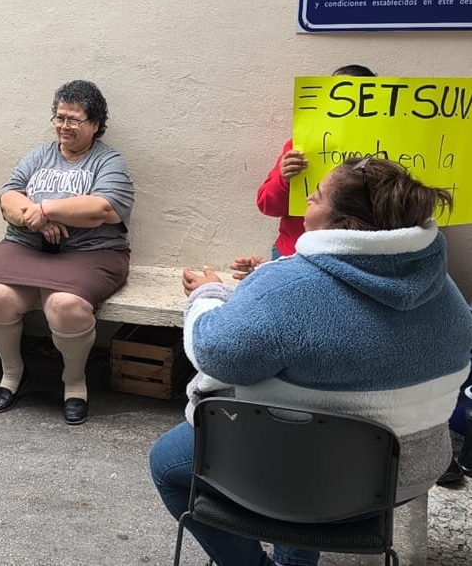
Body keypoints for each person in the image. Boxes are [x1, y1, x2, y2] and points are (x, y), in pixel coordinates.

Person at [151, 157, 472, 566]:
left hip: (295, 477)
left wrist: (208, 295)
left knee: (167, 464)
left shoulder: (287, 290)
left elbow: (216, 351)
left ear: (345, 225)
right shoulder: (445, 292)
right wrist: (273, 278)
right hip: (399, 481)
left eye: (317, 196)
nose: (307, 200)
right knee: (312, 425)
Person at [0, 80, 134, 425]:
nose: (64, 126)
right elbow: (8, 197)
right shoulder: (39, 155)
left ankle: (74, 382)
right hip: (27, 246)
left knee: (65, 306)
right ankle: (13, 373)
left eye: (74, 119)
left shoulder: (109, 162)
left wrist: (47, 209)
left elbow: (103, 209)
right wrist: (34, 220)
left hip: (90, 252)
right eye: (59, 117)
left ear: (95, 124)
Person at [256, 64, 376, 258]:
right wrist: (285, 179)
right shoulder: (302, 146)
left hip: (357, 255)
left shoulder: (384, 153)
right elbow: (267, 205)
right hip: (295, 251)